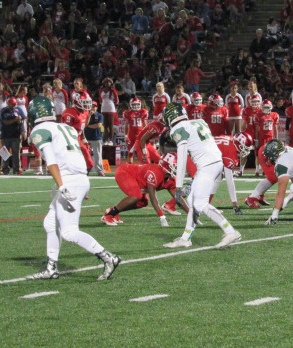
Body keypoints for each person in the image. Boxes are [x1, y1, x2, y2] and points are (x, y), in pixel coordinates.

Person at [26, 96, 120, 280]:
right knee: (50, 223)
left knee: (69, 231)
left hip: (69, 181)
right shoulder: (66, 127)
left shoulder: (40, 129)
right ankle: (51, 267)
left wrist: (61, 185)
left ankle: (109, 257)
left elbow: (51, 160)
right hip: (78, 177)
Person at [162, 102, 241, 249]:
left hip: (207, 165)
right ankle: (185, 238)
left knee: (199, 203)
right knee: (193, 200)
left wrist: (178, 185)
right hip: (216, 161)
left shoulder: (178, 129)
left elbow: (182, 155)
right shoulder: (199, 121)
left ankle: (230, 231)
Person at [102, 153, 189, 226]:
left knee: (143, 202)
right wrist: (162, 216)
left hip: (136, 179)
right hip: (124, 172)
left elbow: (178, 198)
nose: (178, 169)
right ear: (167, 165)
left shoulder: (171, 179)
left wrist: (191, 215)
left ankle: (113, 210)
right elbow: (152, 196)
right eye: (175, 166)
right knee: (136, 196)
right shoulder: (156, 172)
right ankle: (108, 216)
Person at [0, 97, 26, 175]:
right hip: (6, 135)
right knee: (5, 153)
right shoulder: (3, 111)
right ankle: (5, 169)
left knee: (16, 153)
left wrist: (23, 131)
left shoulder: (19, 110)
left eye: (15, 104)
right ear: (8, 103)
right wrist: (15, 120)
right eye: (12, 104)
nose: (14, 106)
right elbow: (5, 122)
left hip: (16, 135)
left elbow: (22, 121)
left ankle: (17, 169)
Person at [84, 101, 105, 176]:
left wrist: (89, 126)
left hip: (97, 137)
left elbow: (98, 125)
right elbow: (85, 124)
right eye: (91, 106)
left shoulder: (100, 115)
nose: (93, 108)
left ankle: (100, 170)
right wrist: (89, 116)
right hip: (87, 137)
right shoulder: (86, 114)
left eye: (94, 106)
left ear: (97, 107)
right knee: (86, 155)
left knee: (98, 155)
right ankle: (86, 169)